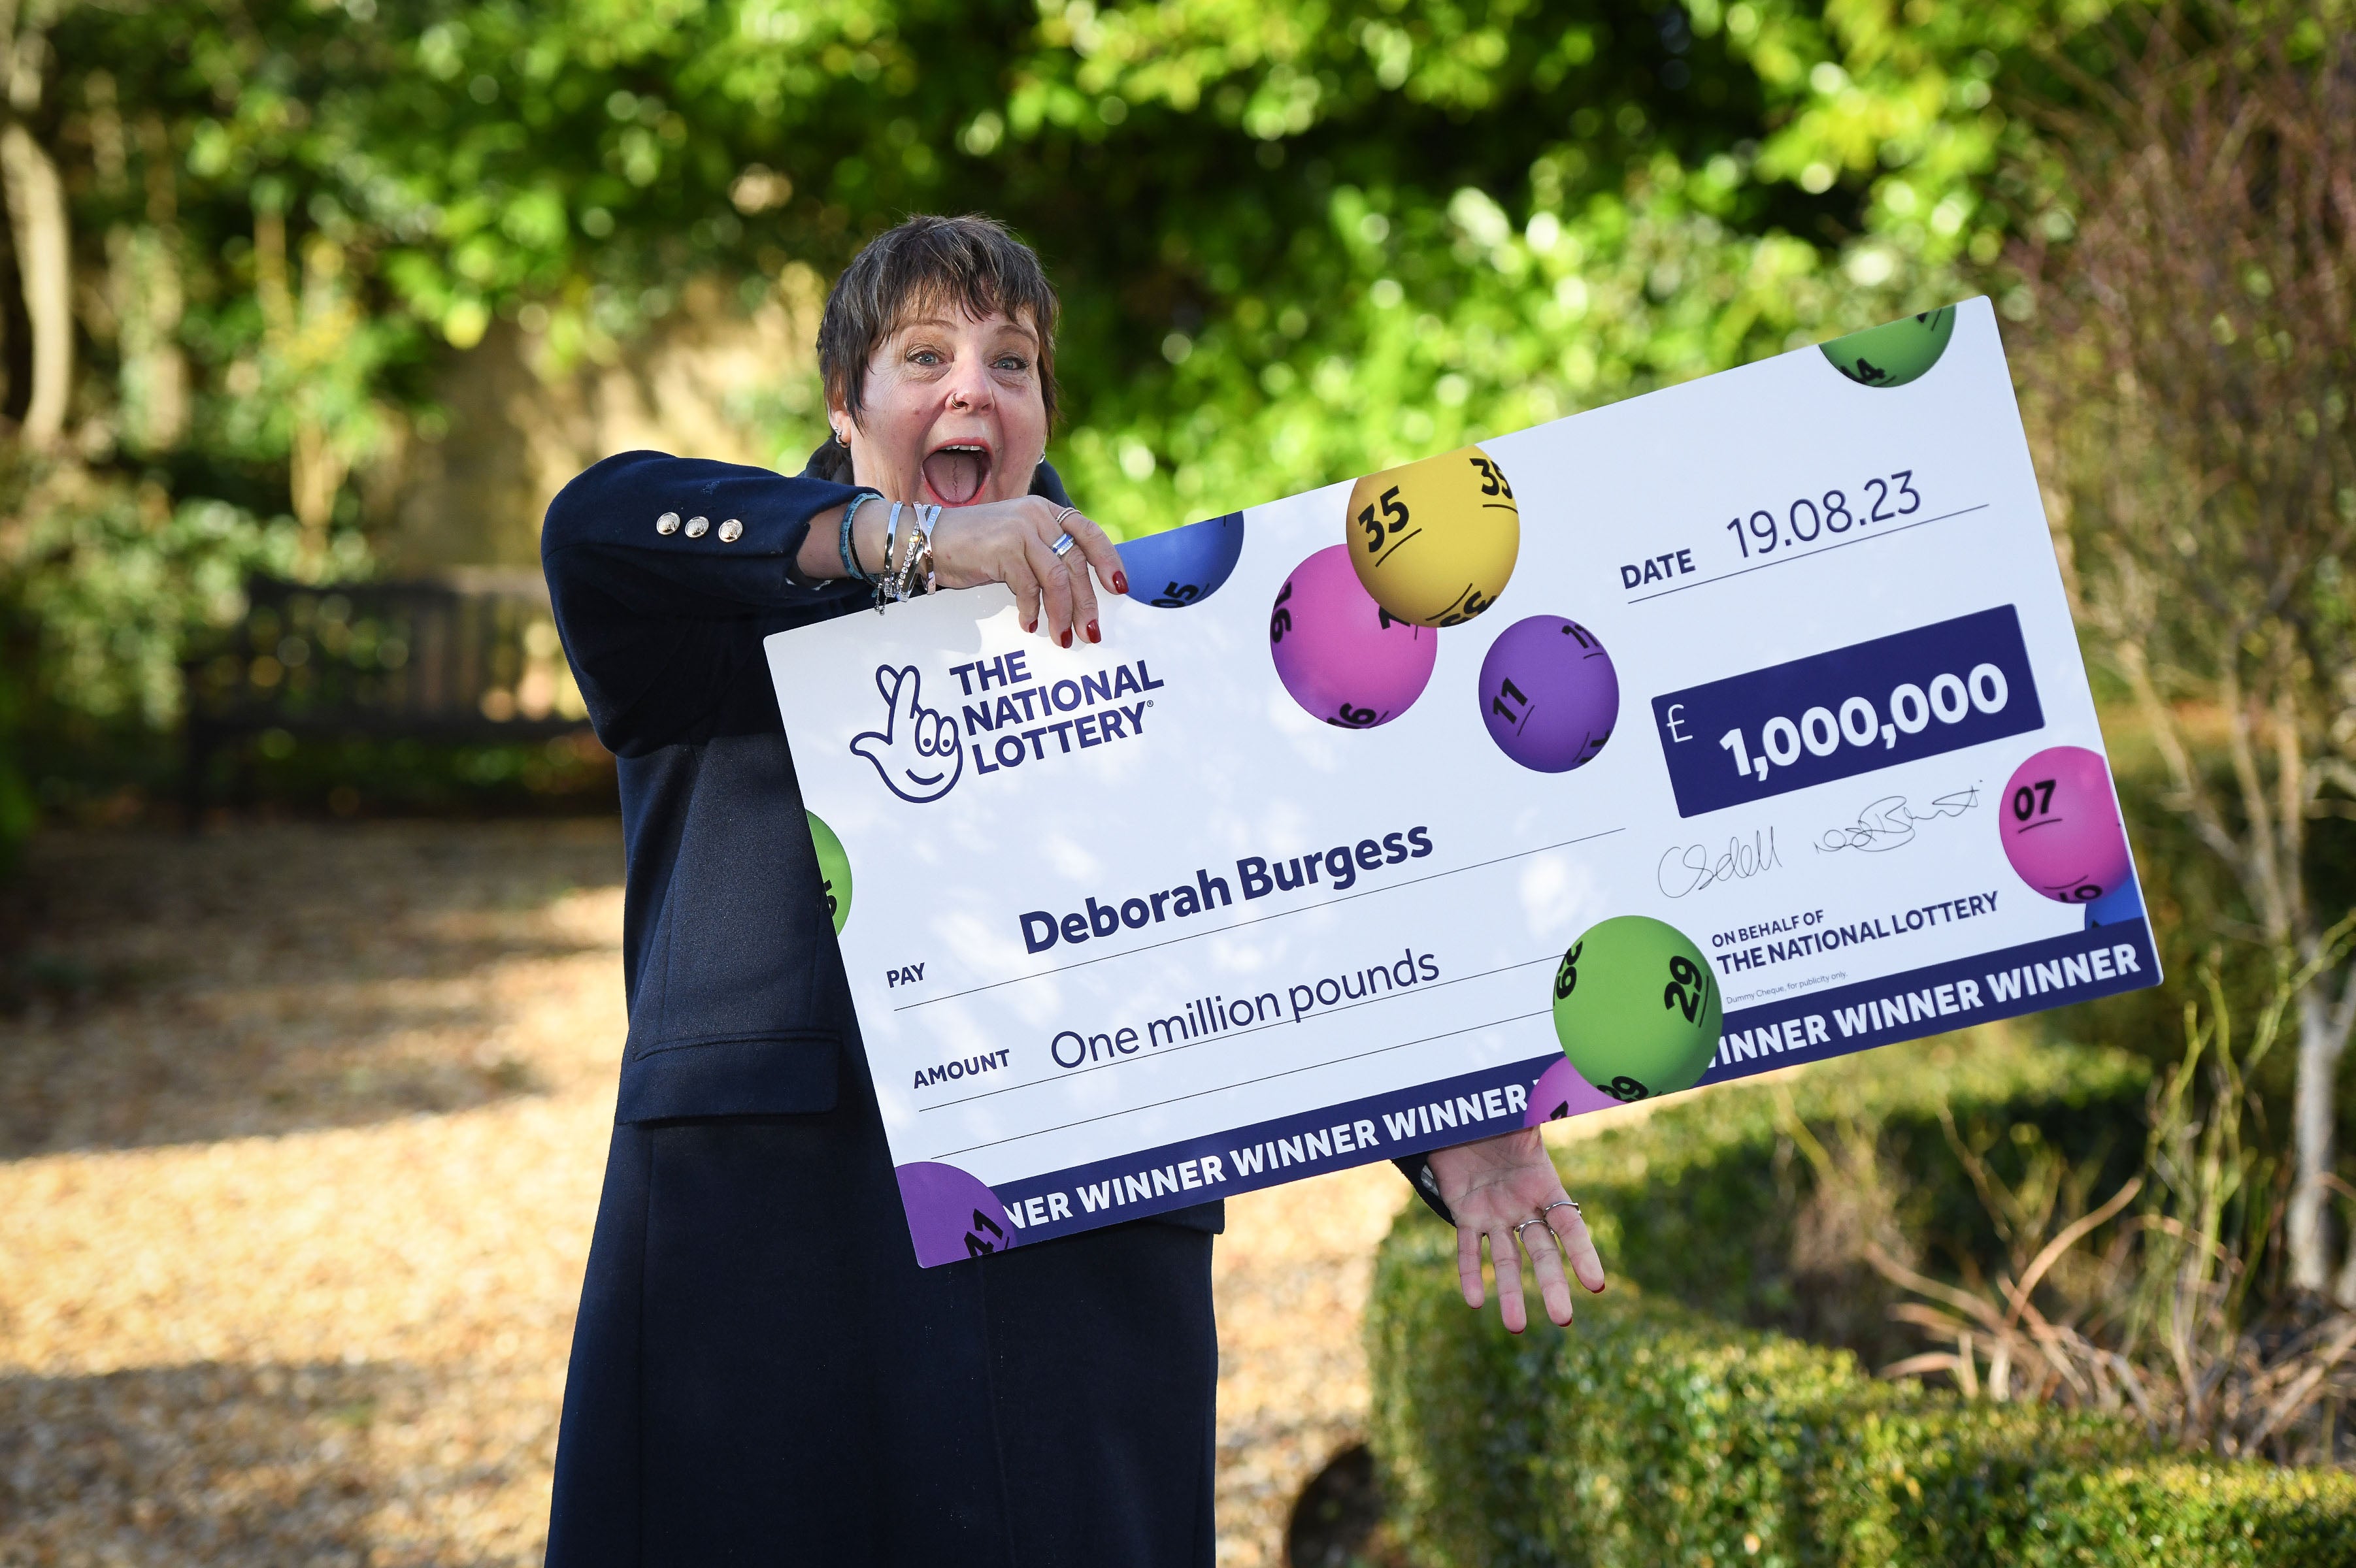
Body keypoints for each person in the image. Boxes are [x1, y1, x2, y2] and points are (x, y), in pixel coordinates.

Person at [539, 213, 1605, 1567]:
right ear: (844, 404)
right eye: (924, 355)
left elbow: (1295, 918)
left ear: (1043, 413)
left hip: (1073, 1289)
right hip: (764, 1272)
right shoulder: (709, 609)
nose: (973, 386)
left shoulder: (1160, 644)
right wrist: (904, 546)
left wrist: (1457, 1117)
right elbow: (595, 520)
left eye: (1012, 360)